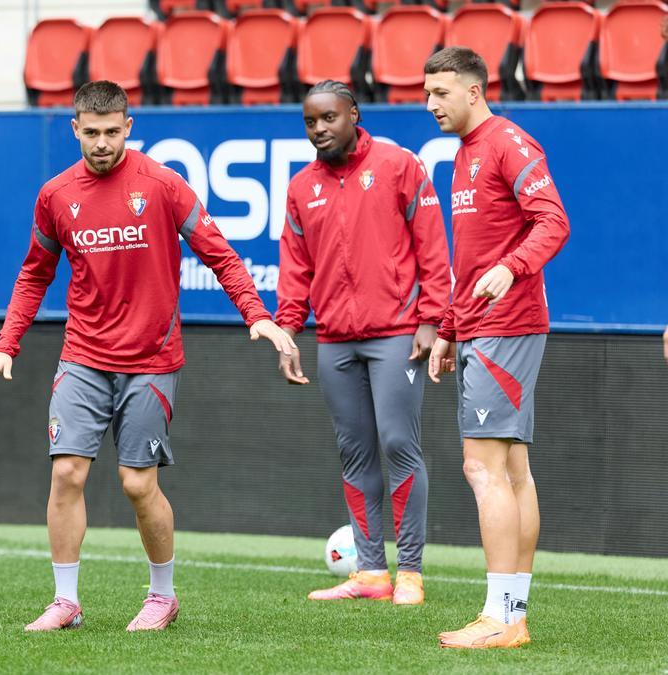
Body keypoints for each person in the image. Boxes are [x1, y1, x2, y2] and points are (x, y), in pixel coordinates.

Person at [0, 80, 297, 633]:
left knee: (136, 483)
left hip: (151, 360)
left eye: (111, 132)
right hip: (82, 357)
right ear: (75, 129)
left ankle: (162, 595)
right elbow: (34, 274)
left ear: (129, 127)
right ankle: (65, 602)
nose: (101, 143)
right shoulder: (55, 195)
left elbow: (221, 255)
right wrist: (6, 345)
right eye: (90, 133)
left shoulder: (164, 185)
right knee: (68, 474)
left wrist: (258, 316)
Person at [276, 80, 451, 605]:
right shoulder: (301, 187)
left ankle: (412, 573)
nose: (319, 129)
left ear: (353, 113)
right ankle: (373, 573)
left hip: (397, 333)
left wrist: (432, 317)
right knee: (355, 455)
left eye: (328, 118)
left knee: (399, 444)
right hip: (334, 340)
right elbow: (295, 266)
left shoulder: (400, 165)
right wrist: (288, 329)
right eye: (310, 122)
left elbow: (432, 245)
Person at [424, 46, 570, 649]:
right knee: (510, 470)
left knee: (484, 467)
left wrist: (513, 270)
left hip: (509, 324)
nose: (430, 103)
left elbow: (554, 221)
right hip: (484, 326)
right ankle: (512, 614)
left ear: (475, 91)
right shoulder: (464, 155)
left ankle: (501, 616)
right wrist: (452, 329)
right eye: (427, 92)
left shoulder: (509, 142)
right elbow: (472, 261)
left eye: (441, 92)